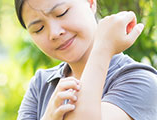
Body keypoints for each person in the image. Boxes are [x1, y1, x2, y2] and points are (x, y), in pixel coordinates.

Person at [15, 0, 157, 120]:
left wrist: (104, 47)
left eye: (61, 13)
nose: (54, 33)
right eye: (39, 28)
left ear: (90, 3)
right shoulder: (41, 85)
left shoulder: (141, 80)